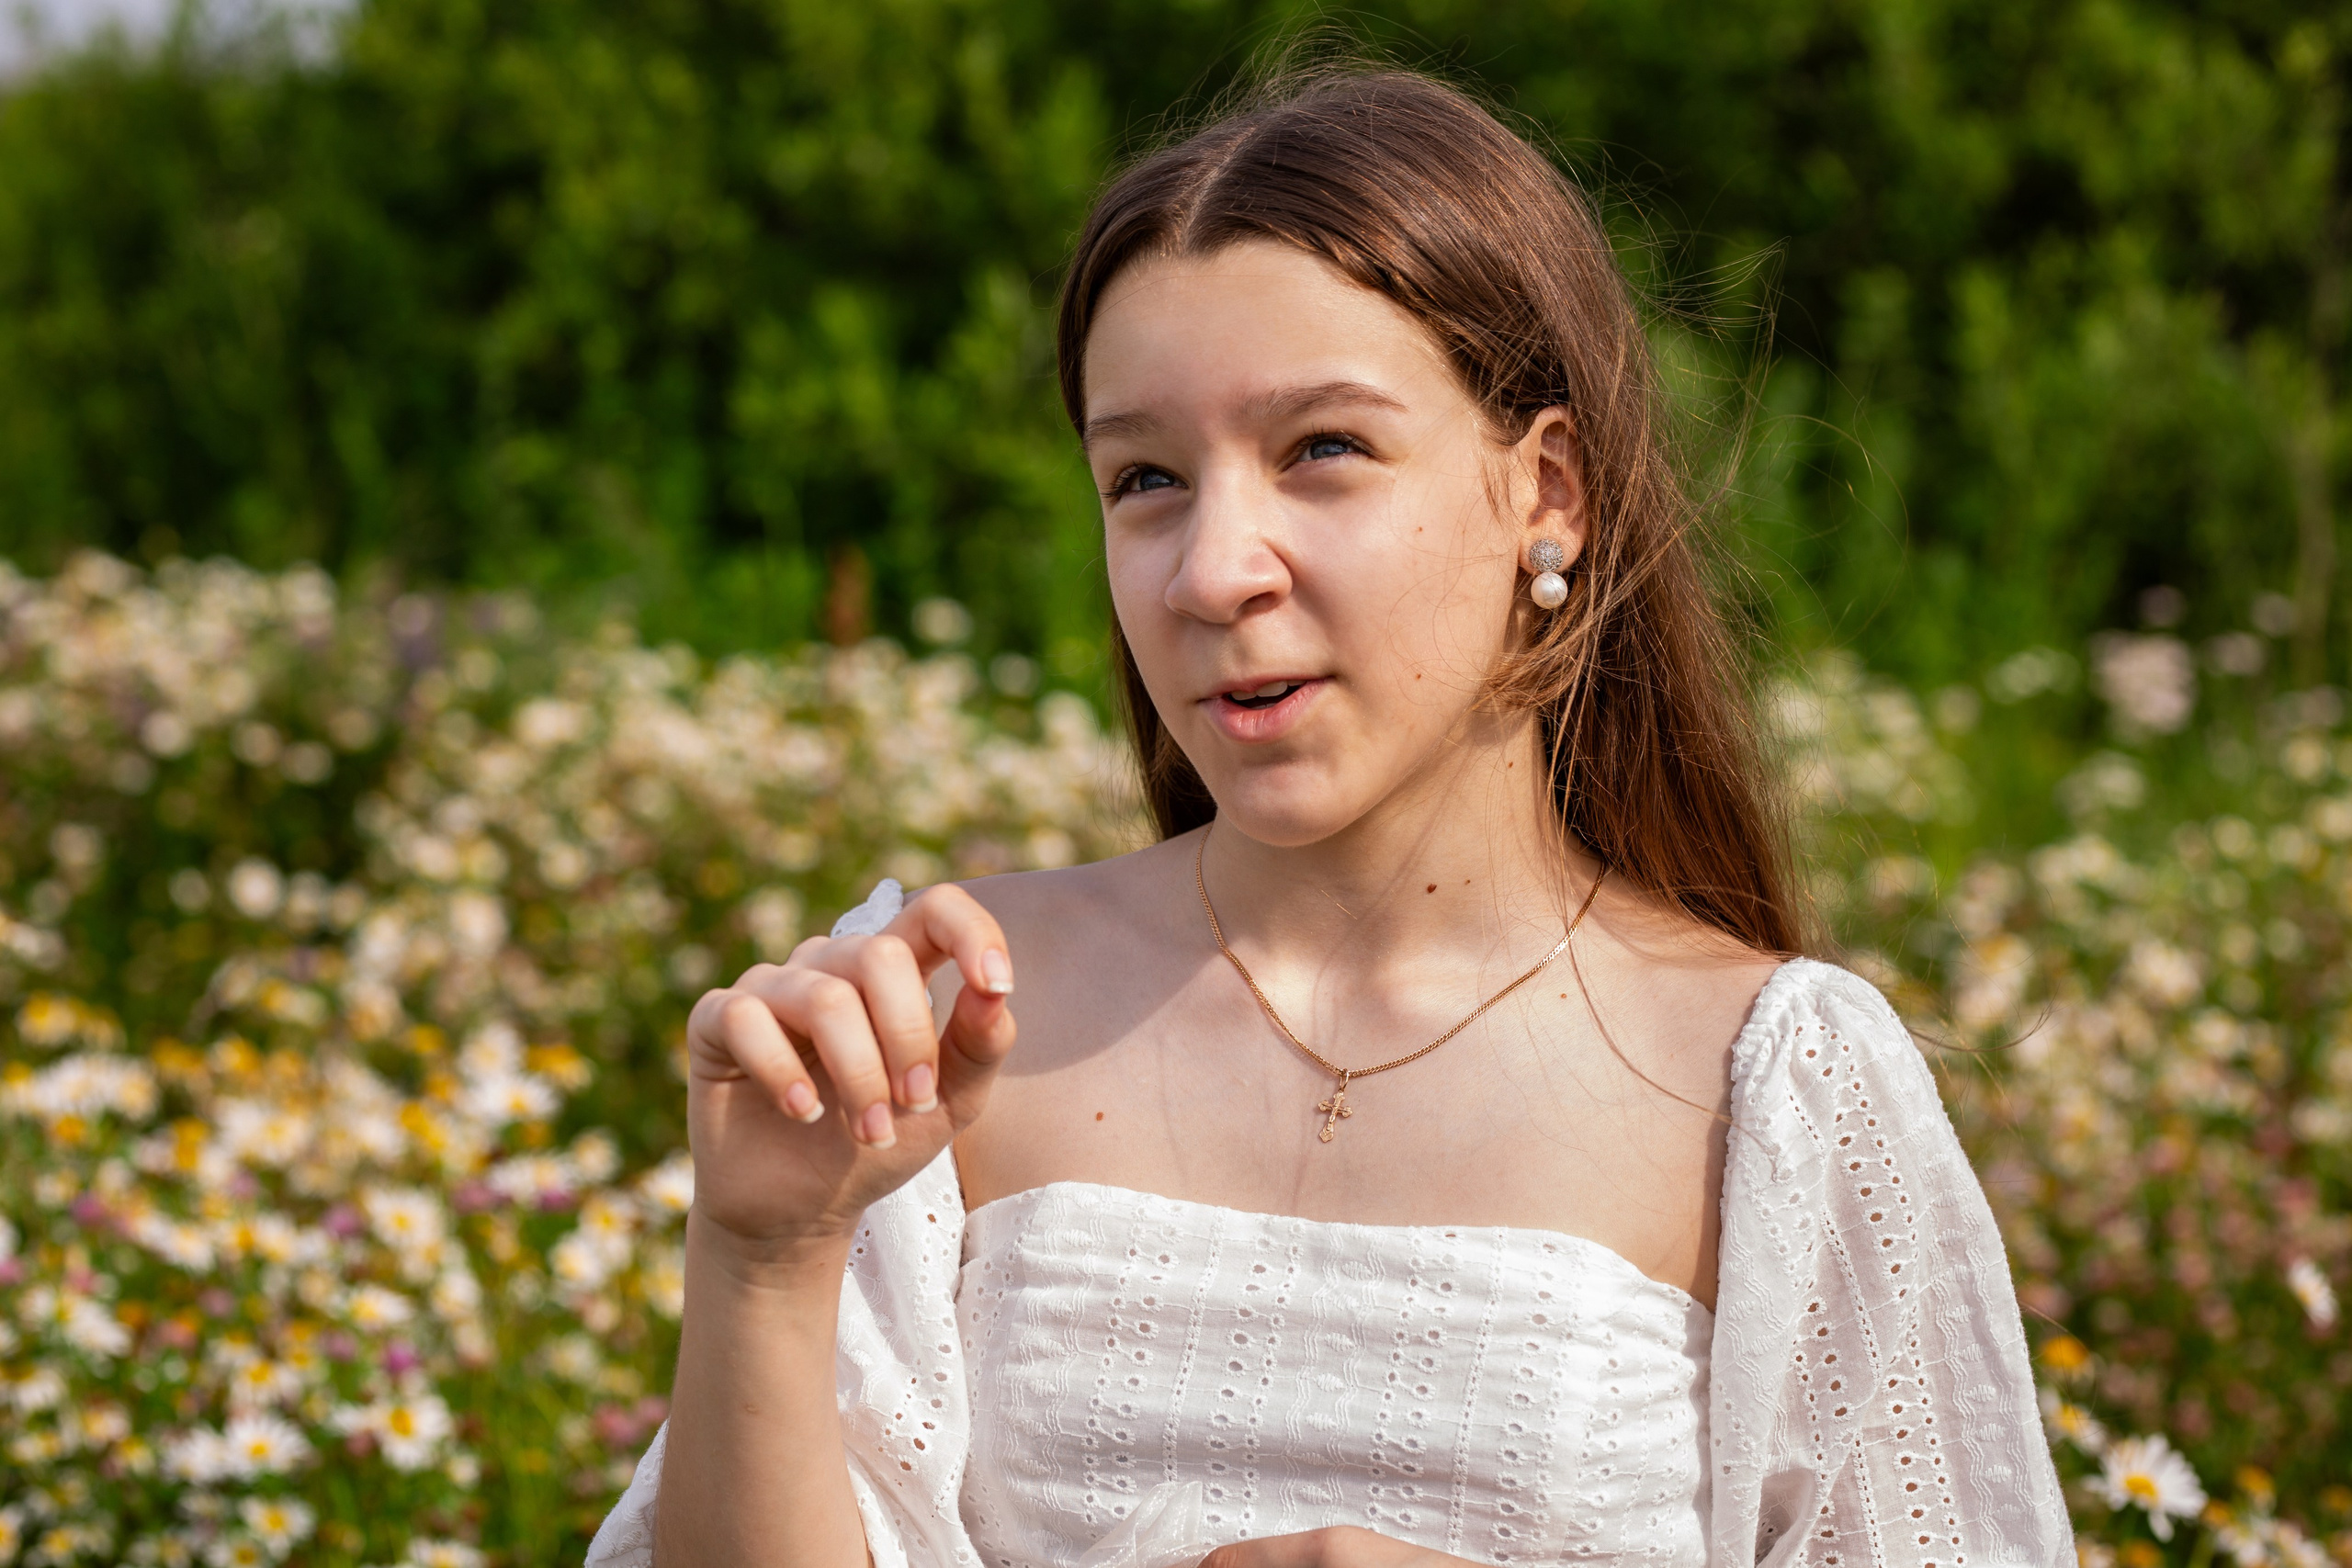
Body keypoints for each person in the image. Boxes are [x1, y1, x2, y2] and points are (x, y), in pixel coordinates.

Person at [587, 65, 2070, 1568]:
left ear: (1545, 493)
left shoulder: (1779, 1090)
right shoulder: (938, 1018)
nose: (1212, 570)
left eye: (1323, 451)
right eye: (1147, 478)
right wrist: (763, 1260)